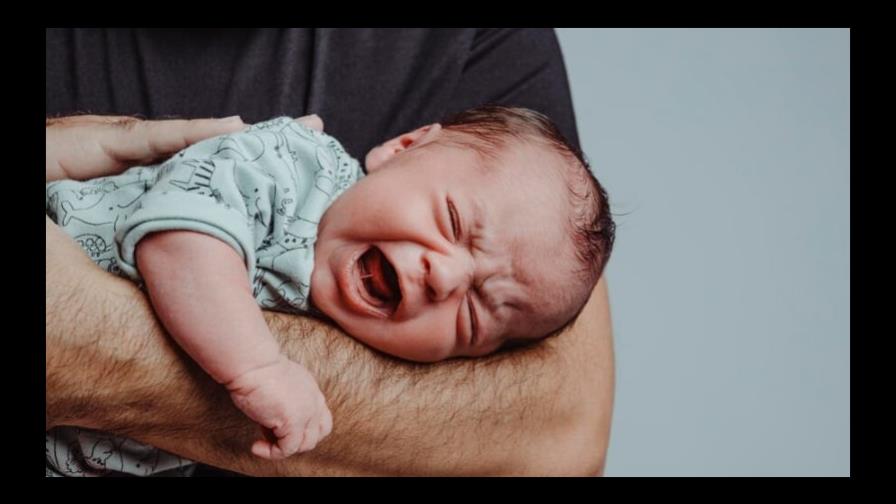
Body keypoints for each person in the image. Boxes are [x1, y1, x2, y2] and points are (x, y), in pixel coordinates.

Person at [46, 28, 615, 476]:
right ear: (402, 148)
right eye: (452, 221)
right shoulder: (295, 166)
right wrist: (258, 368)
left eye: (471, 315)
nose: (444, 276)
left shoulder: (483, 43)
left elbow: (562, 437)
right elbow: (180, 242)